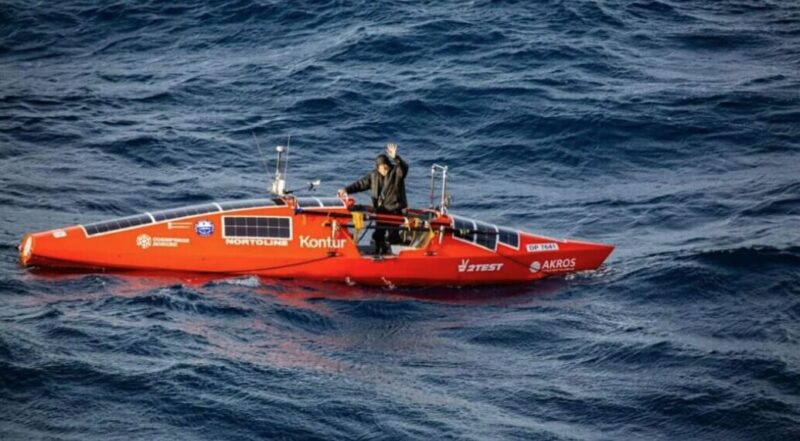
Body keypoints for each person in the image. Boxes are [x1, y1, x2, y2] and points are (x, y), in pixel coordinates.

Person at [338, 143, 409, 255]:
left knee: (393, 235)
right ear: (378, 167)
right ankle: (380, 252)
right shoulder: (373, 176)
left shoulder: (397, 172)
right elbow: (360, 184)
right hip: (381, 210)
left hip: (394, 209)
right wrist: (346, 190)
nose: (385, 169)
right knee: (379, 234)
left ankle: (397, 255)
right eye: (382, 168)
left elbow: (404, 167)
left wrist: (396, 157)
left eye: (386, 167)